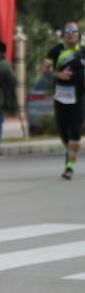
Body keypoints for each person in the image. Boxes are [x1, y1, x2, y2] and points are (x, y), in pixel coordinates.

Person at [41, 22, 85, 180]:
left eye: (73, 31)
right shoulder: (56, 50)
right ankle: (70, 153)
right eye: (67, 31)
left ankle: (70, 166)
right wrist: (58, 75)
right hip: (61, 97)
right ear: (63, 35)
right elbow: (44, 71)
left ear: (78, 34)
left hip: (79, 97)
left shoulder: (83, 51)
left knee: (75, 130)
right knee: (63, 132)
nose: (70, 34)